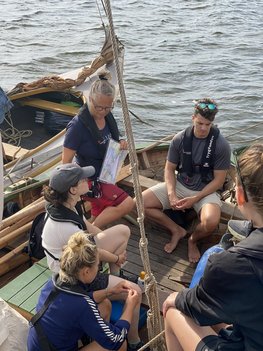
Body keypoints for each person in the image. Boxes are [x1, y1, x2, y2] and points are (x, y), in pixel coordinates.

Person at [163, 143, 263, 351]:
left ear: (241, 195)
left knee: (173, 309)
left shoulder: (233, 264)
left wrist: (176, 297)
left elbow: (192, 304)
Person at [42, 163, 145, 350]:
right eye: (82, 179)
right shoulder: (65, 227)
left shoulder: (67, 206)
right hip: (75, 276)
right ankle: (134, 341)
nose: (87, 180)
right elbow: (93, 254)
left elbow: (90, 230)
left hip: (76, 266)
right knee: (134, 292)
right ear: (72, 189)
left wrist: (109, 245)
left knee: (122, 232)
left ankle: (116, 278)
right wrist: (116, 258)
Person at [142, 98, 231, 262]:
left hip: (206, 191)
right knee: (140, 203)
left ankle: (193, 240)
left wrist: (195, 199)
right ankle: (176, 230)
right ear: (193, 118)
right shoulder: (180, 139)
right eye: (200, 123)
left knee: (210, 222)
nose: (203, 128)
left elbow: (218, 181)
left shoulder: (221, 145)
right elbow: (169, 169)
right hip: (181, 184)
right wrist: (171, 194)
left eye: (207, 124)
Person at [28, 231, 141, 351]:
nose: (98, 269)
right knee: (121, 345)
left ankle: (98, 336)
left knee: (105, 305)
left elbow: (76, 303)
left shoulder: (53, 284)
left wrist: (110, 291)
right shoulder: (83, 305)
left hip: (41, 345)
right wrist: (130, 306)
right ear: (86, 272)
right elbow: (116, 339)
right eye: (98, 265)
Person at [62, 71, 134, 229]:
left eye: (107, 108)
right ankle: (90, 233)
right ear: (89, 99)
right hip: (89, 180)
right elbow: (65, 163)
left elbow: (112, 141)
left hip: (107, 173)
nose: (102, 111)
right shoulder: (77, 127)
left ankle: (90, 229)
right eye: (98, 107)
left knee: (97, 213)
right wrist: (72, 188)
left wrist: (121, 144)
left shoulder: (107, 117)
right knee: (128, 203)